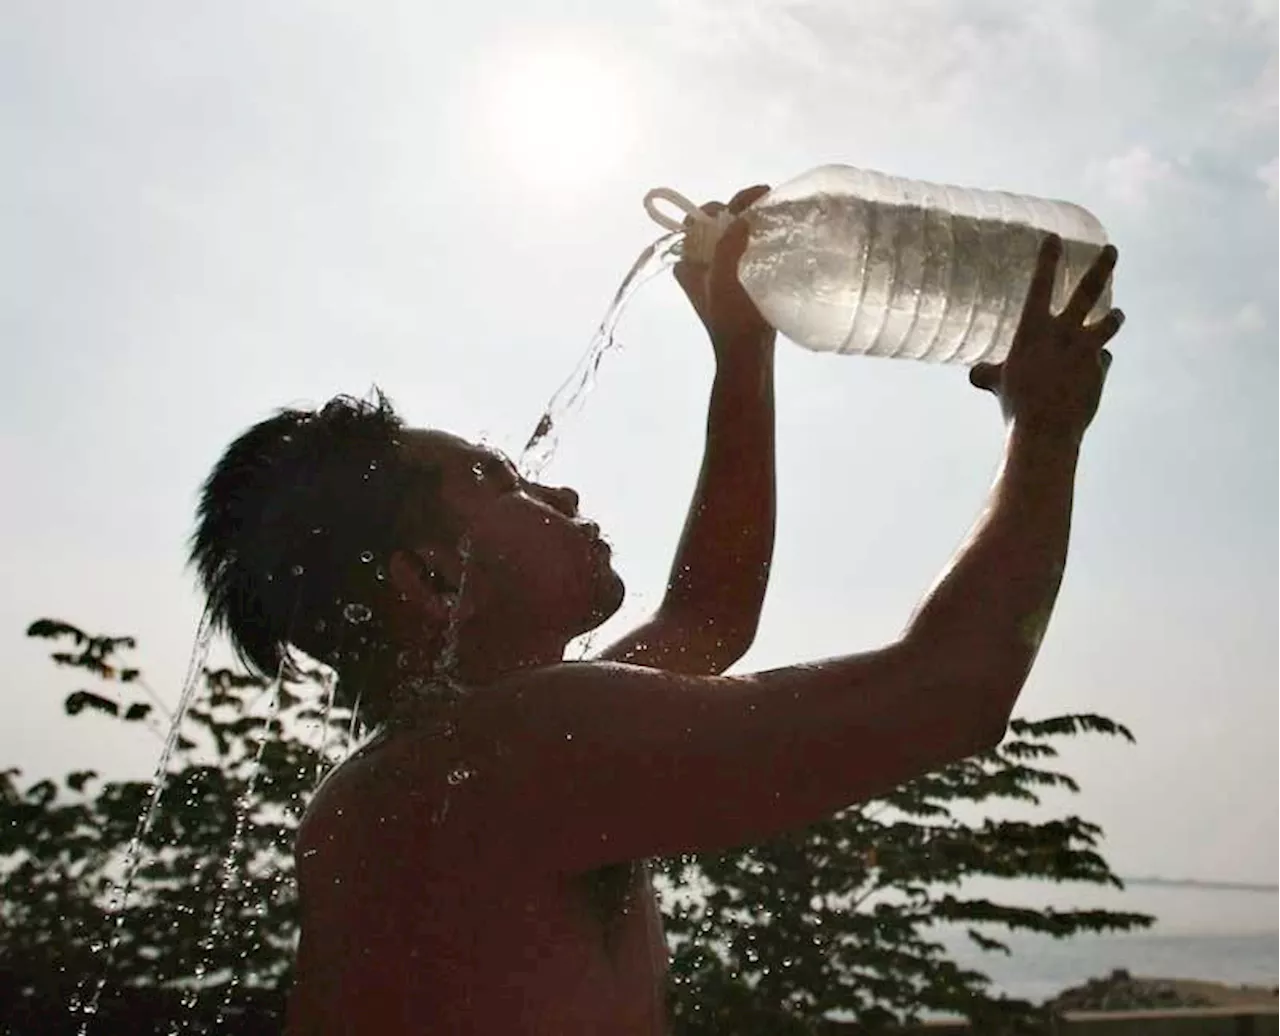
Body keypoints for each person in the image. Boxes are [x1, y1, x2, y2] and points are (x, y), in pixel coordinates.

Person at [190, 186, 1124, 1036]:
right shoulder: (514, 749)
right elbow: (950, 695)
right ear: (429, 580)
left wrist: (742, 351)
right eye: (498, 480)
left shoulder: (432, 766)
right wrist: (1044, 431)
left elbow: (709, 615)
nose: (558, 496)